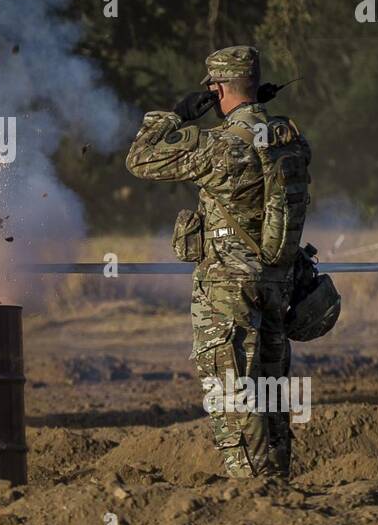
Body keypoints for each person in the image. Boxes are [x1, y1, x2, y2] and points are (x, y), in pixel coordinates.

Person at [125, 46, 310, 479]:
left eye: (212, 88)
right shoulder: (291, 138)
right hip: (277, 284)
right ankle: (277, 488)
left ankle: (251, 494)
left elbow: (140, 158)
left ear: (217, 88)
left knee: (233, 396)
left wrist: (175, 115)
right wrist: (253, 108)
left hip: (229, 289)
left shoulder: (221, 146)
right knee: (270, 395)